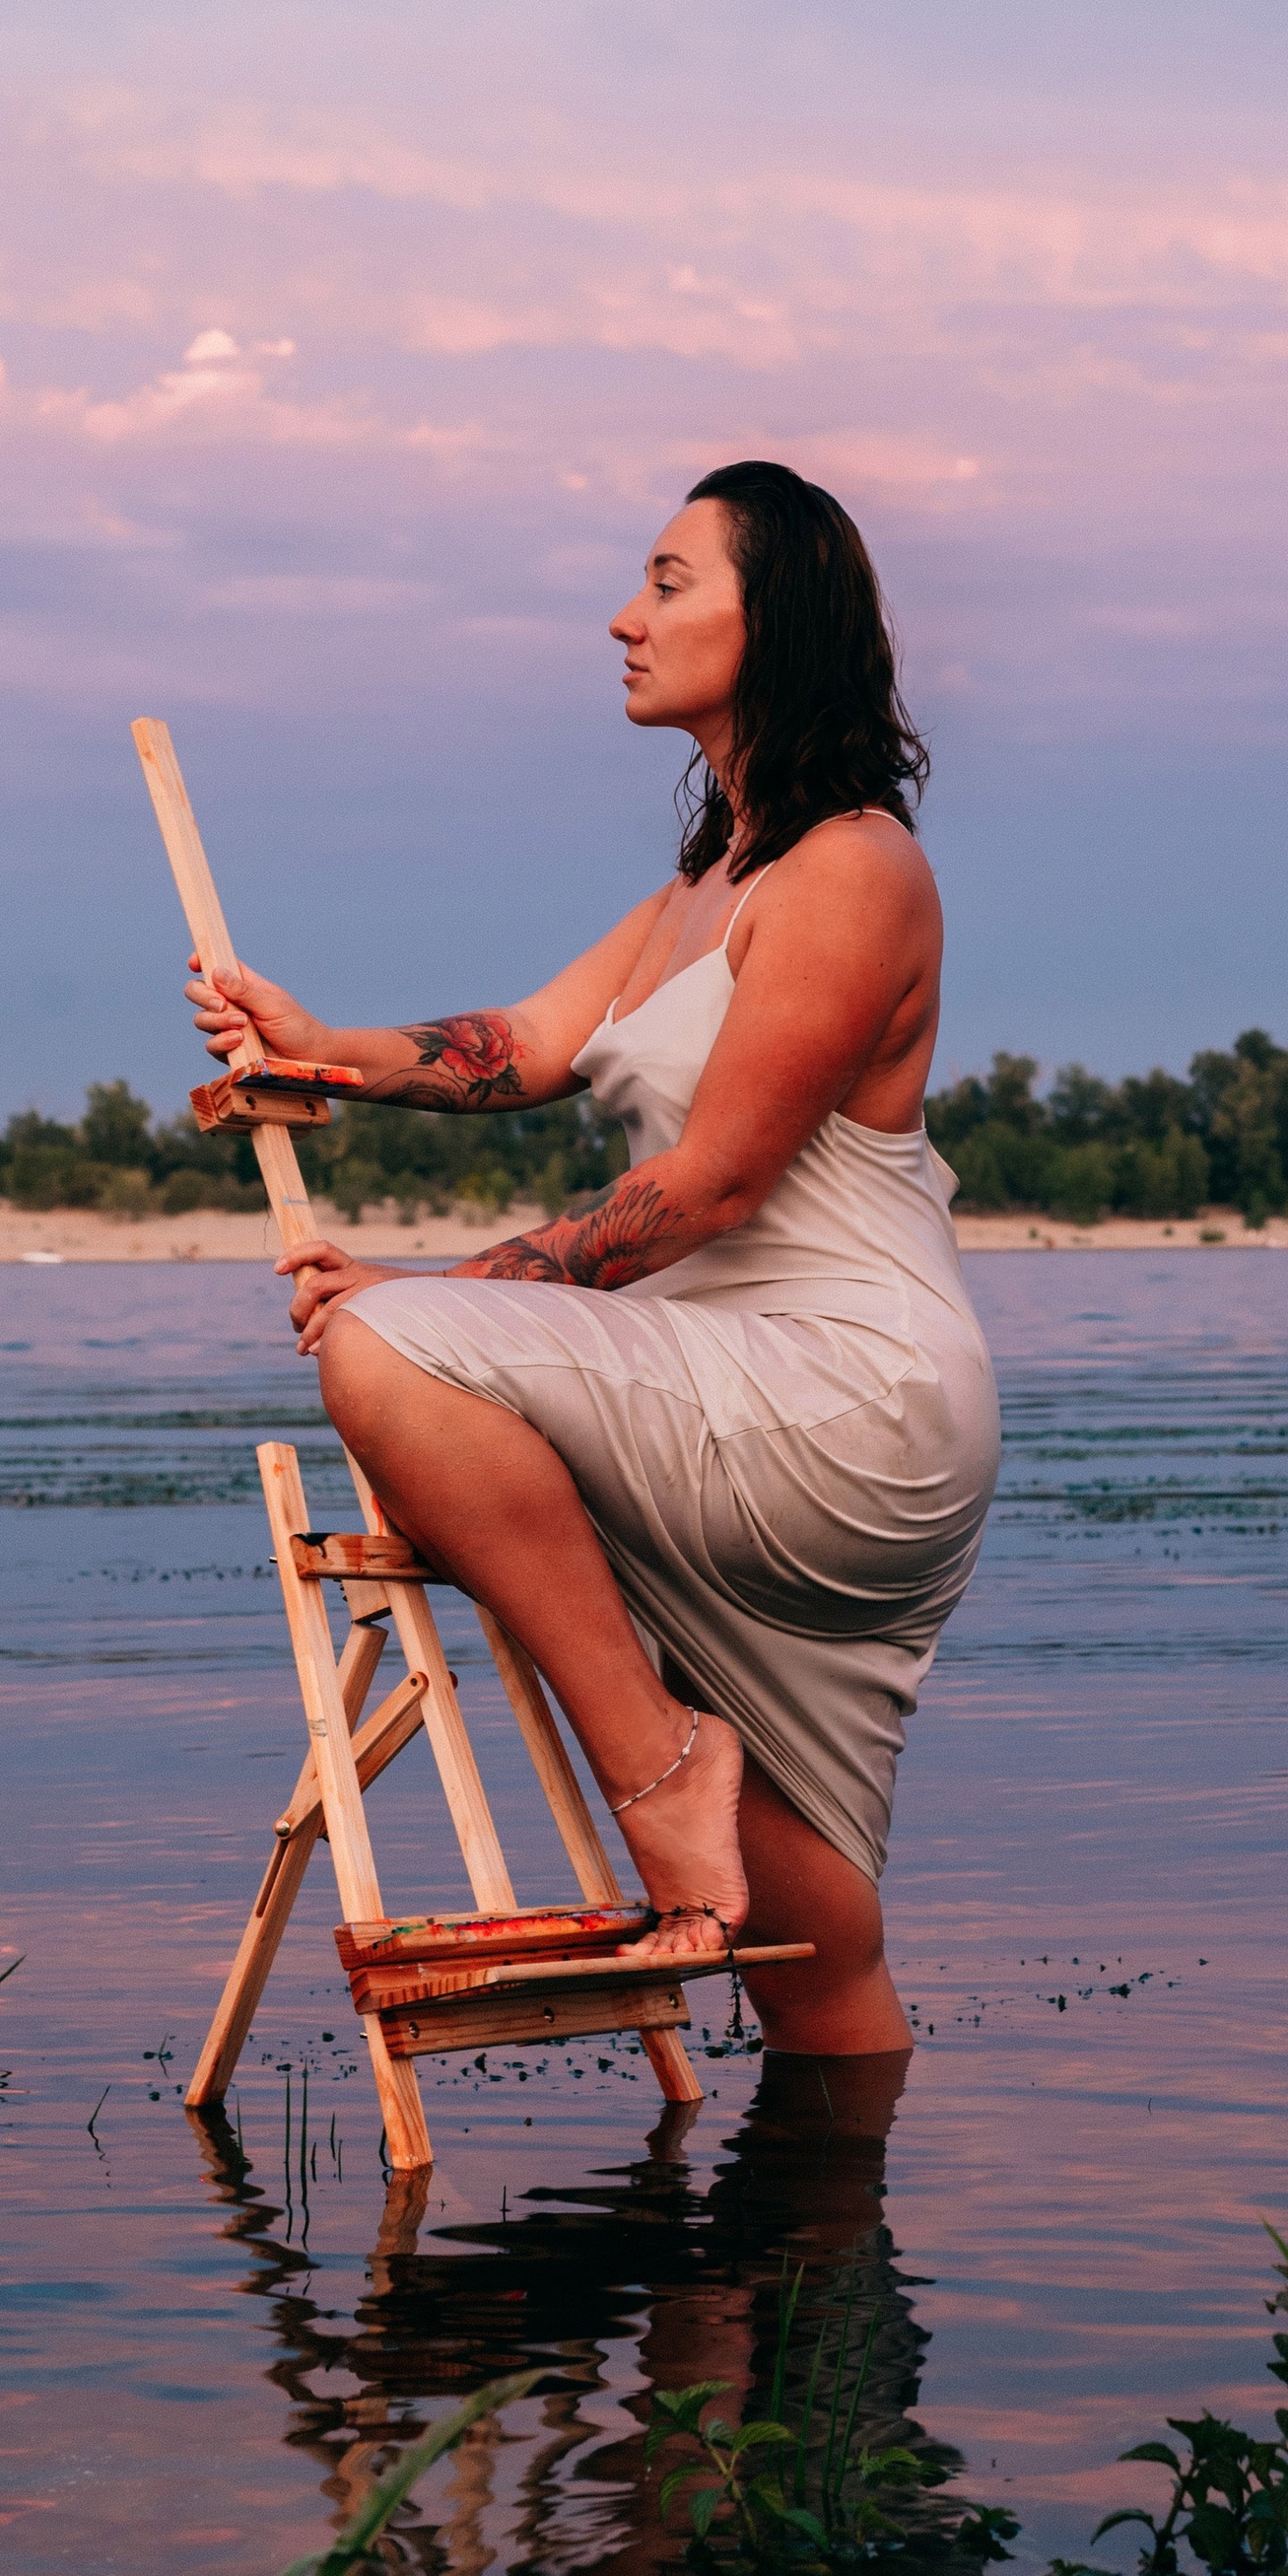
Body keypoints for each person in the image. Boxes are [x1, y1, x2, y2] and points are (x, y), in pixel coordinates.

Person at [183, 460, 1000, 2056]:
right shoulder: (696, 897)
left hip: (839, 1399)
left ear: (782, 621)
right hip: (716, 1383)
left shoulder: (854, 871)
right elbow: (520, 1047)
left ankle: (657, 1767)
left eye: (671, 581)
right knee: (811, 1942)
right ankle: (835, 2266)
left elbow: (710, 1185)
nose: (625, 619)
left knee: (383, 1354)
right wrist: (328, 1051)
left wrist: (444, 1304)